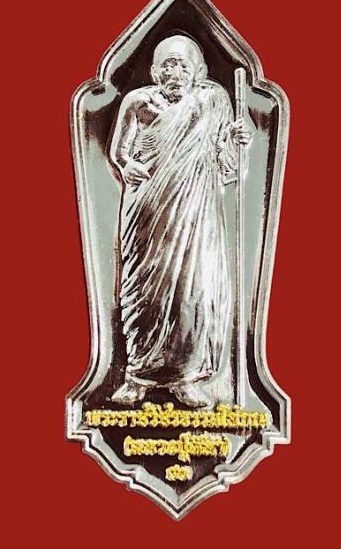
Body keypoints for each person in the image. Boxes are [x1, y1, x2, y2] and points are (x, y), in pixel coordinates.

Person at [109, 35, 250, 407]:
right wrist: (126, 165)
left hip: (194, 213)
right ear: (155, 71)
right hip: (147, 209)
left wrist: (236, 141)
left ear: (198, 71)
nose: (175, 72)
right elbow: (119, 151)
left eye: (183, 65)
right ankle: (137, 375)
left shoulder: (212, 102)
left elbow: (226, 164)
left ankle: (185, 377)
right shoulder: (137, 102)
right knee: (143, 289)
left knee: (192, 288)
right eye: (167, 65)